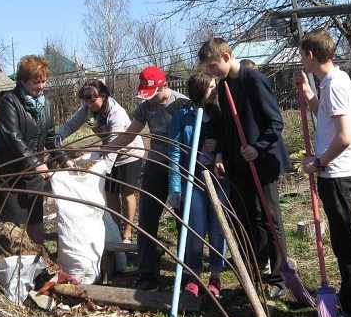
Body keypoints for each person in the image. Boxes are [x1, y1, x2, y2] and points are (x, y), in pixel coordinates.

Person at [199, 38, 292, 299]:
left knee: (271, 219)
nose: (212, 73)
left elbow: (275, 123)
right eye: (208, 69)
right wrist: (220, 153)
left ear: (227, 56)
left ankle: (280, 277)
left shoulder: (255, 80)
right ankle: (256, 270)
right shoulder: (225, 86)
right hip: (238, 162)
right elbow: (227, 126)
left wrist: (258, 147)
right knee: (250, 219)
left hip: (262, 161)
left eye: (214, 66)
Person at [293, 29, 351, 317]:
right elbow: (326, 119)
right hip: (336, 172)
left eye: (301, 55)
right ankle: (350, 302)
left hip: (336, 174)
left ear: (310, 55)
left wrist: (319, 162)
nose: (301, 60)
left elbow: (344, 138)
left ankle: (350, 308)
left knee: (345, 242)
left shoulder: (334, 84)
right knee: (341, 239)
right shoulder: (333, 80)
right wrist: (308, 94)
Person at [103, 66, 190, 291]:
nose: (149, 98)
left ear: (164, 85)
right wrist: (106, 149)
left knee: (183, 220)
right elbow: (131, 133)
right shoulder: (145, 107)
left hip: (179, 167)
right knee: (147, 221)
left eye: (153, 92)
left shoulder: (181, 104)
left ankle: (188, 274)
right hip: (155, 165)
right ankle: (147, 275)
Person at [0, 55, 72, 245]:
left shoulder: (46, 105)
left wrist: (65, 160)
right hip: (8, 172)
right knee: (12, 223)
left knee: (35, 216)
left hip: (32, 172)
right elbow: (12, 137)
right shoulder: (9, 102)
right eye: (36, 82)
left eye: (43, 81)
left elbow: (50, 137)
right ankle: (12, 264)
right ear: (23, 81)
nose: (41, 86)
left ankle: (37, 260)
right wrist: (35, 163)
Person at [58, 79, 144, 243]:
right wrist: (57, 137)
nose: (89, 104)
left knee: (126, 193)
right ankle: (115, 229)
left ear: (103, 96)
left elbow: (115, 143)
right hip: (108, 151)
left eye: (92, 100)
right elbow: (71, 125)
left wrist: (102, 169)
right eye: (86, 101)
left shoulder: (115, 112)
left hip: (128, 153)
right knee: (111, 193)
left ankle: (127, 231)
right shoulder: (86, 110)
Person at [168, 72, 229, 297]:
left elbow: (229, 140)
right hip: (192, 178)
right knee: (195, 229)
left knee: (217, 229)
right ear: (198, 89)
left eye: (215, 86)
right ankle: (193, 276)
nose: (214, 91)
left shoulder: (219, 115)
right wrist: (175, 187)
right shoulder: (181, 117)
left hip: (218, 179)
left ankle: (215, 276)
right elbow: (174, 152)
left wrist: (220, 147)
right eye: (211, 87)